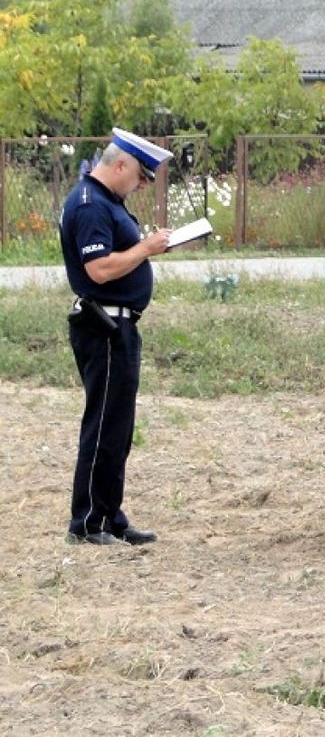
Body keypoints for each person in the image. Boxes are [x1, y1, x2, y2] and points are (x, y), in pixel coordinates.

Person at [58, 128, 174, 546]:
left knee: (118, 428)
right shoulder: (90, 205)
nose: (143, 184)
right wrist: (145, 249)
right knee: (104, 425)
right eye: (141, 176)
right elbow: (99, 270)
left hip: (119, 326)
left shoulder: (108, 201)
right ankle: (86, 522)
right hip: (103, 327)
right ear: (120, 164)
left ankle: (110, 516)